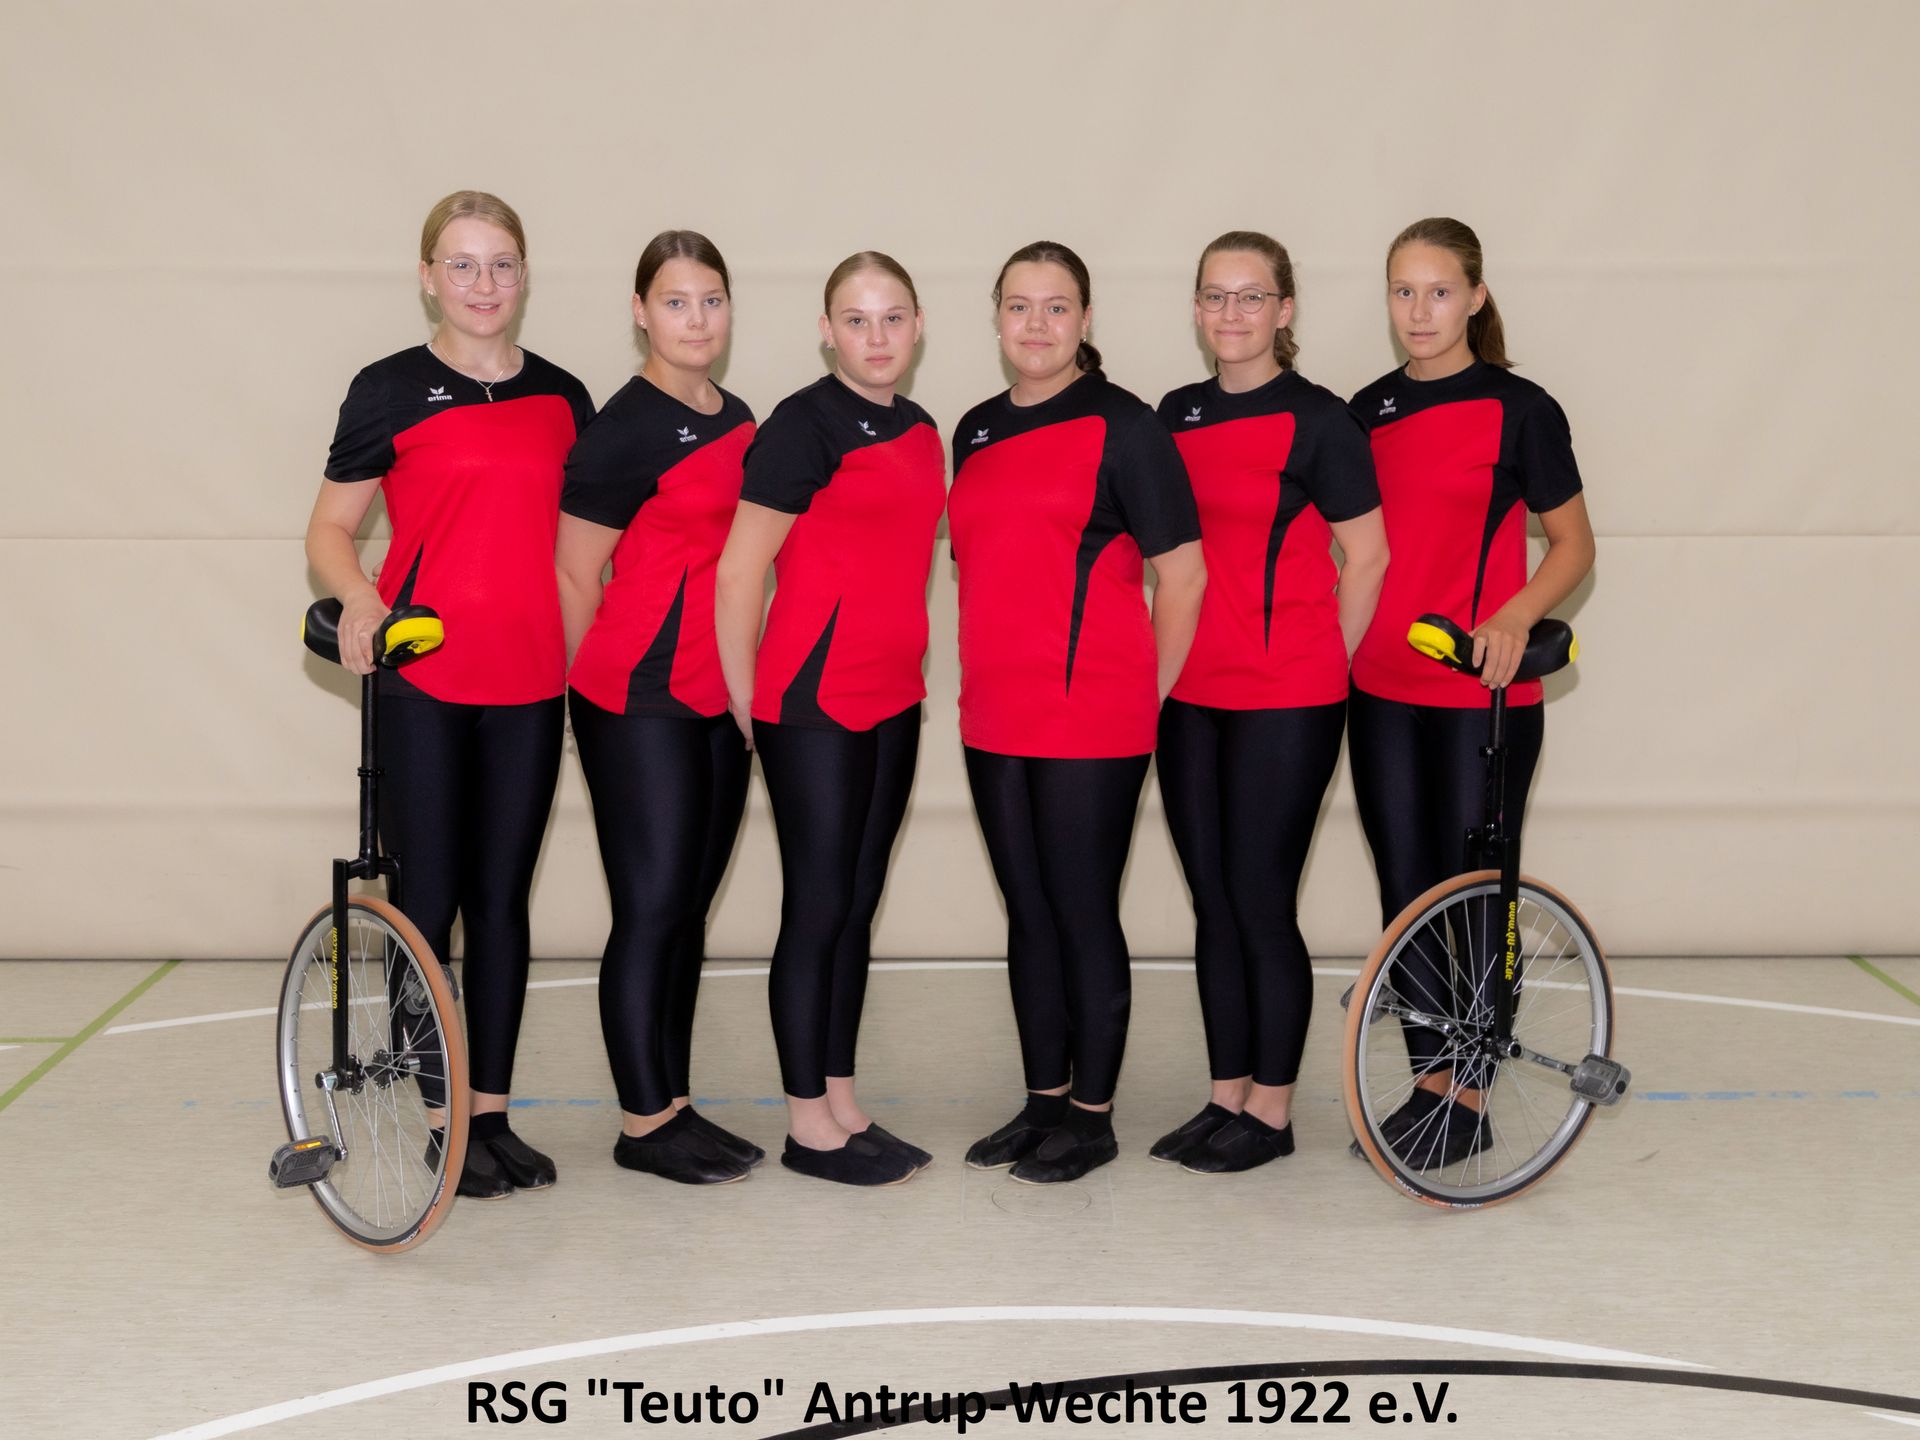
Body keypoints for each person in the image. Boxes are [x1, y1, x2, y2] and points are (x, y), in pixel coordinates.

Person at [306, 190, 593, 1199]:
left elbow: (587, 545)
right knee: (429, 905)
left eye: (501, 263)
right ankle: (443, 1121)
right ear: (428, 277)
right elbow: (329, 529)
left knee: (502, 903)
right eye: (462, 264)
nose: (483, 283)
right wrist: (359, 596)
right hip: (426, 681)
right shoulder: (387, 389)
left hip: (529, 681)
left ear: (525, 275)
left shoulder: (564, 396)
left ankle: (492, 1115)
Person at [950, 241, 1206, 1185]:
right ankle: (1043, 1102)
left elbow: (1184, 575)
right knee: (1028, 912)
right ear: (997, 316)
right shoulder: (974, 429)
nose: (1037, 325)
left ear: (1085, 320)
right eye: (1019, 306)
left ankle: (1092, 1119)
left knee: (1081, 909)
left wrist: (1145, 691)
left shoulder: (1127, 427)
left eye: (1056, 307)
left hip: (1092, 715)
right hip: (994, 713)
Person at [1347, 216, 1596, 1169]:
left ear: (1476, 297)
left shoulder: (1520, 408)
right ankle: (1431, 1084)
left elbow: (1573, 544)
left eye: (1440, 291)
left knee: (1474, 897)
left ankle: (1473, 1091)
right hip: (1379, 686)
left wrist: (1514, 616)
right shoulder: (1365, 411)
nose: (1420, 311)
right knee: (1404, 892)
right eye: (1404, 292)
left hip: (1477, 694)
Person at [1151, 231, 1388, 1174]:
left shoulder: (1321, 420)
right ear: (1196, 308)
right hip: (1188, 692)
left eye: (1252, 296)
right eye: (1216, 295)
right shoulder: (1174, 415)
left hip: (1287, 694)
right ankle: (1225, 1095)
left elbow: (1366, 556)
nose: (1232, 313)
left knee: (1260, 897)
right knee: (1212, 900)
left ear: (1284, 310)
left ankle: (1273, 1111)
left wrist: (1321, 657)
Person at [714, 252, 945, 1187]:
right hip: (812, 702)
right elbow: (739, 571)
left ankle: (843, 1103)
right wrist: (745, 702)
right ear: (826, 331)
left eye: (892, 318)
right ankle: (806, 1123)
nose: (876, 337)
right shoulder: (800, 427)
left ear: (919, 325)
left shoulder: (922, 430)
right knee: (816, 907)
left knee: (855, 904)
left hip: (893, 696)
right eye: (856, 320)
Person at [556, 231, 758, 1186]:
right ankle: (643, 1125)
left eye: (711, 299)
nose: (696, 319)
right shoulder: (622, 429)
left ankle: (673, 1104)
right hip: (636, 701)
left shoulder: (738, 415)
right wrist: (589, 699)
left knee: (686, 911)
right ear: (641, 312)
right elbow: (574, 573)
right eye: (676, 302)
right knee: (649, 909)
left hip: (715, 700)